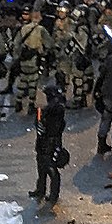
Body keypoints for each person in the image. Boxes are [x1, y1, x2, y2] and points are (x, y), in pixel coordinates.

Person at [32, 77, 69, 206]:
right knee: (41, 167)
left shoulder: (56, 109)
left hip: (51, 142)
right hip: (43, 141)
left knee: (51, 168)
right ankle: (40, 189)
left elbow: (52, 124)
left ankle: (53, 195)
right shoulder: (50, 109)